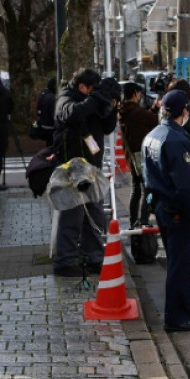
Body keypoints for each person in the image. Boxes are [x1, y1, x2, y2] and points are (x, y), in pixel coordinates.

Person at [142, 89, 190, 332]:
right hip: (177, 208)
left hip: (162, 204)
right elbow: (186, 185)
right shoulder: (176, 140)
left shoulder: (153, 135)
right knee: (180, 263)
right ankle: (176, 316)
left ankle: (187, 304)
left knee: (178, 259)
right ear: (184, 112)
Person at [50, 68, 119, 277]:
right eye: (92, 90)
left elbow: (107, 128)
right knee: (72, 214)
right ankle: (65, 262)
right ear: (82, 87)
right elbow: (72, 113)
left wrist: (111, 106)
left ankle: (94, 259)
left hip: (91, 167)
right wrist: (96, 100)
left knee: (95, 216)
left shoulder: (93, 101)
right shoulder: (66, 98)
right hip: (71, 168)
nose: (94, 93)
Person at [118, 82, 158, 228]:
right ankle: (144, 219)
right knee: (148, 189)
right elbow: (155, 120)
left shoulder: (124, 111)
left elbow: (146, 117)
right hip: (141, 155)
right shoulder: (137, 112)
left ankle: (133, 221)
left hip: (131, 156)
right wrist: (158, 109)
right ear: (135, 94)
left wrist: (153, 108)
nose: (140, 96)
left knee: (136, 189)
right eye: (139, 93)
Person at [34, 77, 58, 146]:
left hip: (43, 124)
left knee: (48, 144)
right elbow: (53, 113)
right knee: (52, 144)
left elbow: (38, 108)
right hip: (51, 126)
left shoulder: (43, 94)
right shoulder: (52, 98)